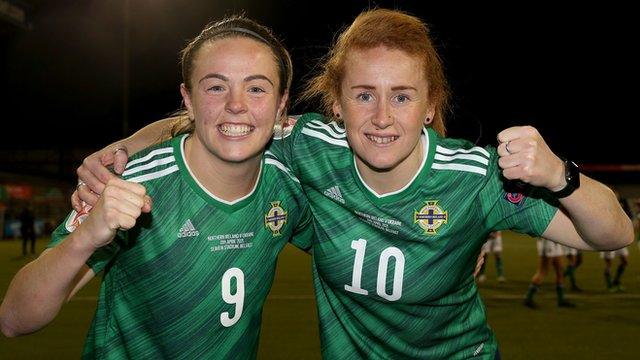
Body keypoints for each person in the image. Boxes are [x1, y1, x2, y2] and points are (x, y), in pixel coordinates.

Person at [68, 9, 634, 359]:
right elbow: (214, 124)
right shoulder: (309, 145)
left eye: (403, 96)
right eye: (364, 95)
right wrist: (119, 151)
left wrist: (560, 174)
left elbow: (613, 233)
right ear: (336, 102)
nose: (382, 117)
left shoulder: (475, 175)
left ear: (431, 103)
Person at [0, 16, 315, 359]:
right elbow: (14, 320)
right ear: (188, 99)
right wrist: (85, 237)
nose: (236, 104)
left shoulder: (288, 181)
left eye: (256, 88)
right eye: (215, 87)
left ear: (282, 103)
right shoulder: (132, 183)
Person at [524, 238, 575, 308]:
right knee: (543, 271)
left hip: (556, 243)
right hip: (547, 242)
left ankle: (561, 300)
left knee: (560, 271)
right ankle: (528, 299)